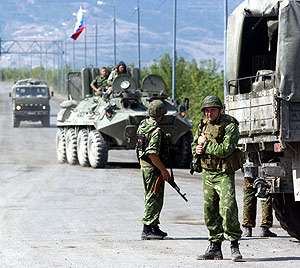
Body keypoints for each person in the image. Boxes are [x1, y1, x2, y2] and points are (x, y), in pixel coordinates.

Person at [191, 95, 243, 262]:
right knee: (210, 210)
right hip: (208, 173)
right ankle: (214, 247)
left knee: (228, 207)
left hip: (223, 173)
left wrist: (205, 144)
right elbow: (195, 143)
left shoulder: (230, 125)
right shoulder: (203, 125)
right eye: (206, 110)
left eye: (212, 110)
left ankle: (234, 245)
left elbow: (225, 150)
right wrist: (197, 149)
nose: (209, 114)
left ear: (219, 110)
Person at [136, 100, 170, 240]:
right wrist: (163, 170)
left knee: (154, 197)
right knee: (153, 197)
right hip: (152, 168)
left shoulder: (142, 126)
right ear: (160, 115)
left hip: (145, 167)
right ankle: (147, 228)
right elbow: (152, 154)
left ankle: (154, 226)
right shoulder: (155, 131)